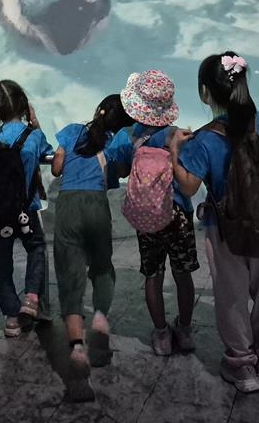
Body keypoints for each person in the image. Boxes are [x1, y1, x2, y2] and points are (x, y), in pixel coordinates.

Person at [171, 52, 259, 393]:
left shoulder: (205, 138)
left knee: (232, 294)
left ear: (205, 93)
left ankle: (242, 364)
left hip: (224, 227)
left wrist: (175, 151)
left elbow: (189, 186)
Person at [105, 69, 197, 357]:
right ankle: (185, 331)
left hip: (147, 216)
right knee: (182, 274)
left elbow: (120, 171)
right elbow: (189, 173)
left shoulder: (125, 137)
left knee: (153, 275)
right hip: (178, 213)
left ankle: (161, 335)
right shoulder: (179, 135)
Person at [52, 94, 134, 401]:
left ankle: (76, 348)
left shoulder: (73, 130)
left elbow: (57, 168)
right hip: (97, 206)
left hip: (69, 206)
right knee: (102, 268)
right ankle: (100, 318)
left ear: (98, 110)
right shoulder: (116, 142)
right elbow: (119, 174)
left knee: (70, 276)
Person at [0, 80, 53, 338]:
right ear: (25, 106)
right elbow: (47, 151)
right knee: (36, 248)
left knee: (2, 262)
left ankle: (12, 317)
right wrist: (35, 123)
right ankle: (32, 299)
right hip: (26, 208)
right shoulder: (33, 136)